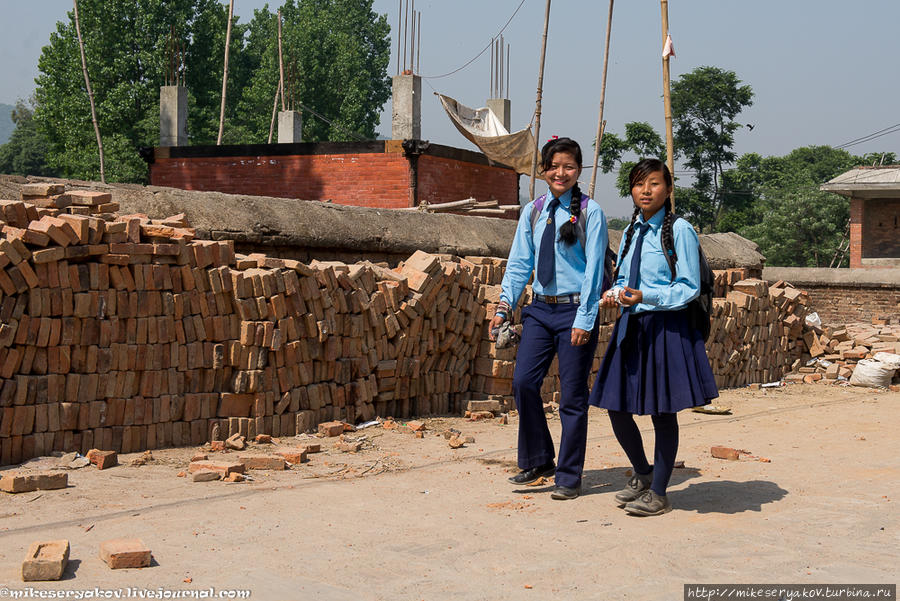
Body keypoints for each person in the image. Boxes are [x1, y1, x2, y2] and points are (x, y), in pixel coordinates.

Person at [589, 158, 719, 516]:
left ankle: (660, 492)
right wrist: (615, 294)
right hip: (632, 325)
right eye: (638, 184)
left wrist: (647, 296)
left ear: (669, 189)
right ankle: (643, 472)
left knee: (663, 412)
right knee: (616, 406)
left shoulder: (680, 230)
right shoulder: (631, 230)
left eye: (654, 184)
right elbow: (623, 278)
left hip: (667, 328)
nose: (645, 191)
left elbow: (689, 287)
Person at [490, 137, 609, 501]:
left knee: (572, 396)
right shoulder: (535, 211)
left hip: (576, 308)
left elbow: (594, 271)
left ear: (579, 170)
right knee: (524, 382)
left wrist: (586, 318)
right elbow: (519, 264)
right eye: (554, 166)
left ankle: (570, 476)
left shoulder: (592, 212)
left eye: (569, 166)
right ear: (543, 171)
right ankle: (539, 458)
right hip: (540, 310)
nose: (561, 172)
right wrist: (504, 306)